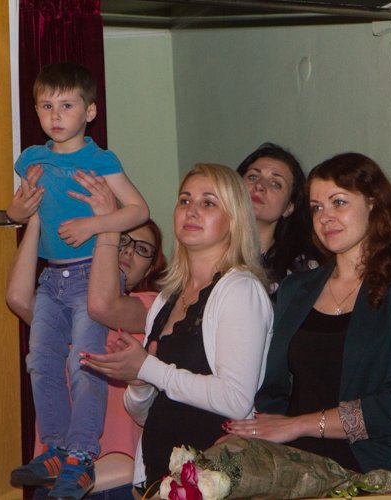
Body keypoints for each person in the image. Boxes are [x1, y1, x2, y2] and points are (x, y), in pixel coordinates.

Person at [226, 152, 391, 473]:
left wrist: (300, 425)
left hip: (376, 466)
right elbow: (273, 391)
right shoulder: (297, 288)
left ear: (373, 205)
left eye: (338, 203)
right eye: (316, 207)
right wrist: (255, 434)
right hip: (297, 465)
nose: (325, 217)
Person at [6, 61, 149, 499]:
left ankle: (82, 454)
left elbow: (138, 210)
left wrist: (93, 224)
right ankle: (54, 447)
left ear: (89, 112)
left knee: (84, 363)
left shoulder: (100, 160)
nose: (55, 115)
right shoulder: (31, 159)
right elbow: (17, 209)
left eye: (66, 106)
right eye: (46, 106)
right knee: (40, 359)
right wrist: (18, 212)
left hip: (92, 273)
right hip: (51, 277)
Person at [81, 163, 274, 486]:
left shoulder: (240, 289)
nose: (191, 210)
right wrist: (138, 381)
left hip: (214, 480)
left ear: (234, 219)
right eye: (185, 200)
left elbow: (235, 400)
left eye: (208, 202)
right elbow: (147, 413)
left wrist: (148, 368)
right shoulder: (165, 299)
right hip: (157, 479)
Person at [6, 170, 166, 498]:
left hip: (113, 484)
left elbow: (103, 305)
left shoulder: (151, 307)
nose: (127, 251)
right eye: (121, 239)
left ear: (150, 268)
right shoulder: (62, 306)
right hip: (55, 484)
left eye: (142, 249)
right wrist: (37, 220)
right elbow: (18, 299)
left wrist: (106, 222)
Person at [236, 142, 322, 298]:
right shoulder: (209, 252)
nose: (259, 186)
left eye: (275, 184)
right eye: (253, 177)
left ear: (288, 207)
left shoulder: (300, 272)